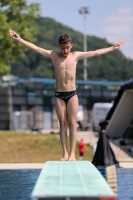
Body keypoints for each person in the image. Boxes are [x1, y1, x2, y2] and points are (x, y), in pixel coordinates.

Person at [8, 29, 125, 161]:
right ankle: (64, 153)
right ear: (59, 46)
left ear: (71, 46)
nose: (65, 51)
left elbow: (95, 52)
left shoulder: (76, 56)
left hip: (72, 94)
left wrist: (113, 47)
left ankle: (72, 154)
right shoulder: (53, 55)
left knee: (73, 123)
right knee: (62, 123)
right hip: (59, 95)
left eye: (68, 48)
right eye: (63, 48)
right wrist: (19, 39)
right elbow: (36, 48)